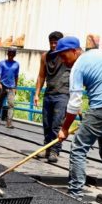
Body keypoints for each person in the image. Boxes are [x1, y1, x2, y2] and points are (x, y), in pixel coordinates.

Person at [55, 36, 102, 204]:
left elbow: (74, 103)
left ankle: (75, 195)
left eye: (64, 56)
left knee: (78, 149)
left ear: (75, 51)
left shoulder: (78, 67)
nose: (62, 60)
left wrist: (64, 128)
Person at [34, 31, 70, 163]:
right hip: (49, 93)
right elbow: (41, 75)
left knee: (57, 124)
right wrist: (37, 93)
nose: (54, 45)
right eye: (51, 42)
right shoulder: (45, 56)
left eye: (56, 43)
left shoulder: (66, 55)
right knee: (47, 123)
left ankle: (55, 150)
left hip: (63, 94)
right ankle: (47, 148)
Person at [0, 47, 19, 128]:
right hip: (2, 85)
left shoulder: (16, 64)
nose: (11, 55)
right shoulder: (2, 63)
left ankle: (9, 123)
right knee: (0, 103)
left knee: (11, 105)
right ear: (7, 54)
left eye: (12, 54)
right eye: (9, 54)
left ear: (14, 55)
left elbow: (16, 76)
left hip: (11, 87)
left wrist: (16, 87)